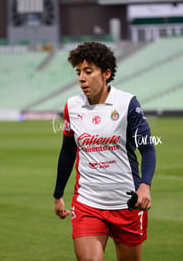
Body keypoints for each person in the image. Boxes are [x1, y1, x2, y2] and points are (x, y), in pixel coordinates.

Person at [53, 42, 157, 261]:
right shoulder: (72, 107)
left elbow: (147, 149)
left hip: (127, 203)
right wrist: (58, 194)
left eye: (88, 72)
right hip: (88, 203)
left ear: (106, 74)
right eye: (78, 72)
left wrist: (145, 186)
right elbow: (67, 152)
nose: (81, 78)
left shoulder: (127, 103)